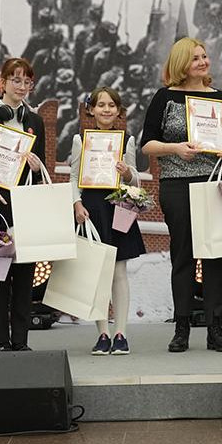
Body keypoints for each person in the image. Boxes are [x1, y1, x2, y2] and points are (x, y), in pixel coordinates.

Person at [140, 37, 222, 353]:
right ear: (181, 64)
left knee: (216, 257)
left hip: (214, 184)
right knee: (183, 255)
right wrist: (175, 149)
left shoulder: (220, 99)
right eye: (195, 57)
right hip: (177, 185)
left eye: (204, 56)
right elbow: (147, 144)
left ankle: (215, 327)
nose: (203, 61)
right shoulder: (165, 97)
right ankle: (181, 326)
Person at [0, 57, 49, 352]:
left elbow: (41, 172)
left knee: (25, 278)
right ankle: (1, 340)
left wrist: (37, 167)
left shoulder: (35, 122)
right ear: (2, 82)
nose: (22, 86)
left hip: (25, 208)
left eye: (27, 81)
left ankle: (21, 340)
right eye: (16, 80)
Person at [69, 87, 147, 356]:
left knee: (119, 273)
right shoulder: (80, 139)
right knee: (97, 273)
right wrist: (76, 204)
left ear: (118, 110)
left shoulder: (127, 140)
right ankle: (102, 333)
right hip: (91, 209)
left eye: (111, 105)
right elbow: (73, 177)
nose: (106, 109)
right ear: (91, 110)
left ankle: (121, 333)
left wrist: (127, 173)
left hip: (118, 208)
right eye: (101, 105)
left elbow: (135, 180)